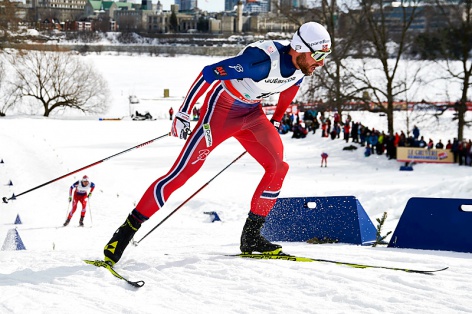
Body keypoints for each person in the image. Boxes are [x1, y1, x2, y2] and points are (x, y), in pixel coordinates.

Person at [102, 22, 332, 266]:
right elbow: (208, 73)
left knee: (278, 167)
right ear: (299, 48)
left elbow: (290, 88)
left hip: (252, 115)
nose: (321, 62)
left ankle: (252, 238)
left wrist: (275, 120)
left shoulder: (301, 67)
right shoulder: (260, 61)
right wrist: (183, 113)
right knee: (182, 174)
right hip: (220, 113)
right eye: (318, 55)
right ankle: (125, 233)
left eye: (325, 56)